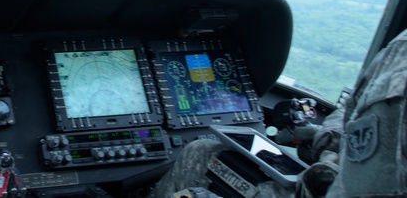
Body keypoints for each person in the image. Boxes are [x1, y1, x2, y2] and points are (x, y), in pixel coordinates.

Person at [148, 28, 407, 198]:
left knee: (200, 153)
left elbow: (362, 189)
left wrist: (322, 166)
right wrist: (322, 140)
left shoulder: (401, 59)